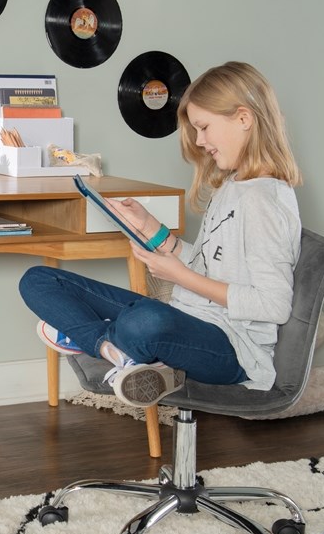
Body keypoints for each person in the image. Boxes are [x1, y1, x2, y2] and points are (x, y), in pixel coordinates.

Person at [18, 61, 302, 408]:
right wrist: (153, 229)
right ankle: (112, 349)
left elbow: (274, 305)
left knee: (145, 321)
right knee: (39, 280)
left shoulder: (263, 200)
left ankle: (94, 336)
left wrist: (179, 276)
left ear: (243, 118)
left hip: (232, 348)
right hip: (187, 316)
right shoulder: (233, 184)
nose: (200, 141)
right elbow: (212, 264)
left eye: (204, 127)